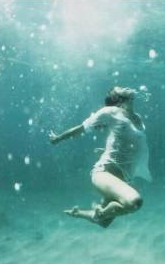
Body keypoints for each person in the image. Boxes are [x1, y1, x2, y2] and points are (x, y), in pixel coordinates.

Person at [49, 86, 152, 227]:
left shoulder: (138, 119)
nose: (123, 87)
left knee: (104, 223)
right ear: (117, 99)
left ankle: (79, 213)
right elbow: (81, 128)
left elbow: (129, 144)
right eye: (118, 88)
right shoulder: (110, 111)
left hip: (122, 178)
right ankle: (101, 213)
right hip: (104, 174)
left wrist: (106, 149)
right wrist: (58, 138)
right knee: (135, 202)